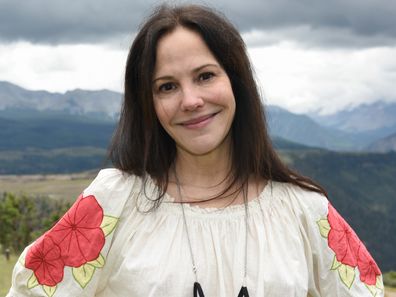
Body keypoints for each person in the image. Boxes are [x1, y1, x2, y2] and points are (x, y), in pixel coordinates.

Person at [7, 4, 383, 297]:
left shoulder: (304, 209)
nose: (190, 100)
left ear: (236, 82)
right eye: (166, 87)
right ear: (148, 104)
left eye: (205, 76)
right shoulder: (113, 202)